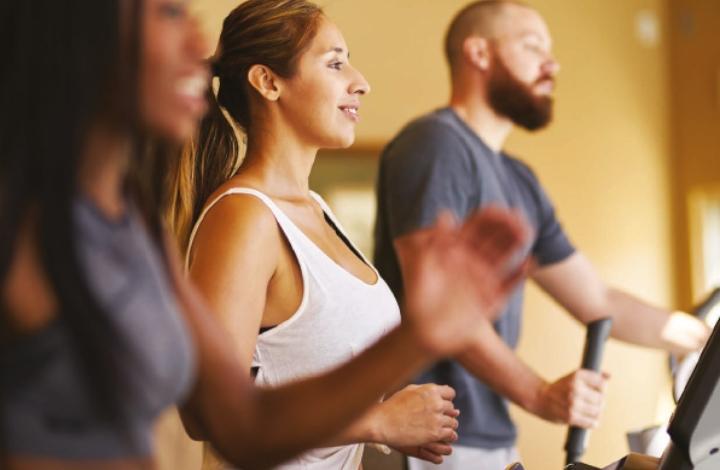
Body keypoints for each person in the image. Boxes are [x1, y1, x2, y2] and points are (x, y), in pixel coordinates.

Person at [0, 0, 532, 469]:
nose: (197, 44)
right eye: (167, 13)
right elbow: (207, 419)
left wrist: (421, 334)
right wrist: (378, 418)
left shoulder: (134, 224)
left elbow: (244, 422)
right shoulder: (31, 229)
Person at [372, 1, 712, 469]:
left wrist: (703, 336)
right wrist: (540, 393)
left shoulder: (520, 181)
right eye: (533, 47)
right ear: (479, 53)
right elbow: (441, 304)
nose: (552, 63)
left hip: (489, 437)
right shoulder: (435, 144)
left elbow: (599, 300)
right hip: (426, 436)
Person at [166, 1, 482, 468]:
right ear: (268, 82)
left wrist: (395, 410)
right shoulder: (245, 217)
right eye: (335, 63)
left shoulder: (316, 210)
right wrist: (376, 421)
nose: (361, 82)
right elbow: (207, 415)